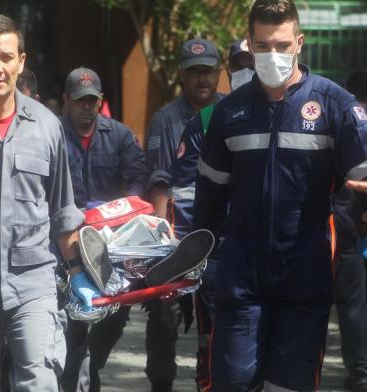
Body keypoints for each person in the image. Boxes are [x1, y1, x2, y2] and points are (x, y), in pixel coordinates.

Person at [193, 1, 367, 391]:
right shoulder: (229, 113)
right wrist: (200, 268)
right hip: (241, 278)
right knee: (233, 384)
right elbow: (208, 204)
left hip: (305, 274)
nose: (274, 55)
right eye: (264, 45)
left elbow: (362, 179)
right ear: (250, 45)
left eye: (283, 45)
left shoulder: (334, 105)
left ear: (300, 42)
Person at [0, 13, 92, 392]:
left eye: (6, 56)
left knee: (39, 382)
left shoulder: (46, 125)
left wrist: (78, 273)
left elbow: (62, 211)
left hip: (33, 288)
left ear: (21, 61)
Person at [166, 39, 254, 391]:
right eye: (242, 62)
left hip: (277, 255)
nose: (250, 68)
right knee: (217, 346)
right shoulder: (207, 119)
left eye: (256, 59)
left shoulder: (295, 112)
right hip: (220, 255)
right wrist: (190, 257)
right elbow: (186, 194)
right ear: (229, 71)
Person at [59, 66, 148, 392]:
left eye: (92, 102)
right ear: (66, 100)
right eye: (80, 101)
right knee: (72, 321)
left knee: (116, 316)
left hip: (111, 244)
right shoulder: (52, 135)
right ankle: (76, 374)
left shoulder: (121, 136)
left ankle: (91, 365)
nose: (86, 109)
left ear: (101, 102)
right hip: (64, 244)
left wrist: (120, 211)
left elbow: (139, 179)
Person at [145, 38, 223, 392]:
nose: (201, 79)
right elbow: (159, 180)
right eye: (194, 73)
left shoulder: (233, 112)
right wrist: (163, 246)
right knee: (163, 318)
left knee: (218, 318)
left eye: (207, 70)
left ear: (219, 71)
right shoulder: (165, 118)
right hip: (176, 237)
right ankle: (162, 383)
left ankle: (210, 382)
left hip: (220, 237)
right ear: (182, 76)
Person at [334, 68, 367, 392]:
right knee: (354, 304)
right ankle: (360, 373)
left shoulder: (347, 122)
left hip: (339, 229)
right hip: (351, 230)